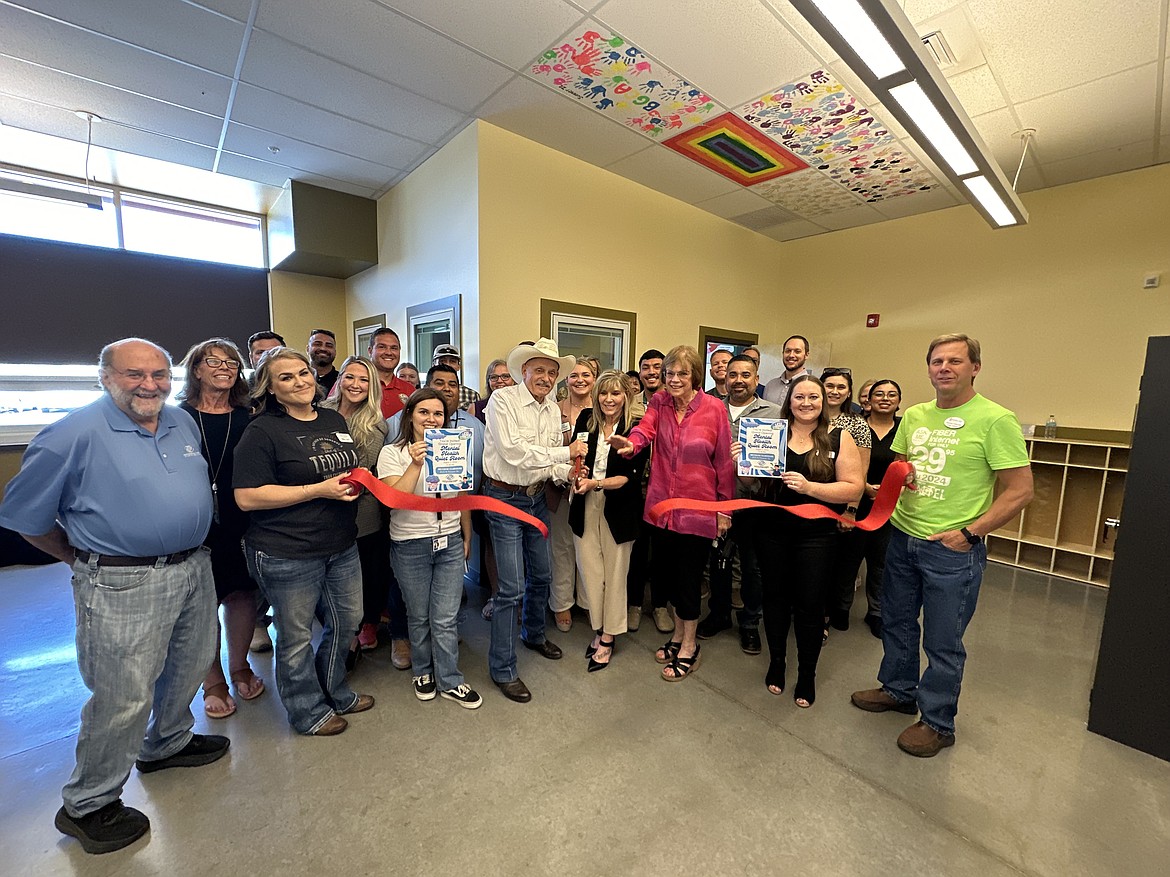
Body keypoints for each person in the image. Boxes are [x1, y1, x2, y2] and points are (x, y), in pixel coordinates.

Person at [0, 338, 227, 855]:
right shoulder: (71, 434)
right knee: (123, 696)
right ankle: (88, 804)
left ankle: (166, 743)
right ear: (105, 377)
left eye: (158, 374)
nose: (149, 385)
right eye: (134, 374)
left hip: (193, 567)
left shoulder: (179, 421)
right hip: (122, 581)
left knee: (190, 664)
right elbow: (24, 518)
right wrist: (78, 557)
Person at [852, 334, 1033, 757]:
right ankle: (898, 690)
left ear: (975, 367)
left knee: (942, 640)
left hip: (951, 552)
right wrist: (904, 473)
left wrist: (970, 533)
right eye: (937, 361)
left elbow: (1020, 491)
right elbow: (899, 464)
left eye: (955, 360)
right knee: (895, 621)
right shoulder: (914, 415)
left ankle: (937, 721)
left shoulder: (995, 419)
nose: (944, 368)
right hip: (902, 537)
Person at [233, 347, 375, 737]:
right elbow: (247, 497)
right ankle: (307, 711)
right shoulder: (261, 431)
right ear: (270, 388)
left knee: (347, 622)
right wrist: (317, 491)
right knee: (295, 638)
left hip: (341, 544)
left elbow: (341, 467)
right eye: (286, 378)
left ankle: (336, 690)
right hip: (286, 551)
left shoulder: (331, 418)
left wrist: (355, 481)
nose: (299, 382)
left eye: (303, 373)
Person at [609, 345, 735, 682]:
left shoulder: (714, 410)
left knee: (689, 581)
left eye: (681, 374)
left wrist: (725, 510)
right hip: (662, 508)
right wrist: (631, 444)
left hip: (699, 509)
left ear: (695, 376)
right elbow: (645, 430)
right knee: (668, 575)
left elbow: (724, 461)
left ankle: (690, 646)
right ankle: (678, 636)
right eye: (669, 374)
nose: (674, 380)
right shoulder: (659, 403)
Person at [482, 338, 585, 702]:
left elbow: (549, 463)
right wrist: (565, 452)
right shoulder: (503, 400)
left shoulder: (551, 410)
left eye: (552, 372)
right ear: (523, 371)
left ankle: (534, 634)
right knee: (511, 588)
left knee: (542, 573)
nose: (545, 377)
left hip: (537, 497)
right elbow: (512, 452)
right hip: (504, 499)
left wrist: (570, 473)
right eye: (538, 370)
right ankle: (503, 669)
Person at [752, 375, 863, 708]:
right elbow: (753, 481)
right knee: (774, 599)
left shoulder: (839, 437)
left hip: (817, 535)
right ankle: (776, 663)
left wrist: (810, 488)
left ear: (824, 400)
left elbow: (853, 488)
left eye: (813, 397)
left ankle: (807, 674)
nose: (806, 403)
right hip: (771, 529)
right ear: (790, 400)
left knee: (810, 605)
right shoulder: (772, 432)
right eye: (799, 397)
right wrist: (742, 461)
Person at [377, 389, 482, 709]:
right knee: (419, 615)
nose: (431, 419)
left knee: (446, 617)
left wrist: (465, 537)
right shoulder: (392, 453)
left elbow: (461, 498)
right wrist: (415, 462)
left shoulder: (452, 449)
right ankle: (423, 672)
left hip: (449, 542)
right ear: (410, 415)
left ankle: (450, 679)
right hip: (410, 546)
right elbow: (394, 499)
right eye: (424, 412)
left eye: (438, 414)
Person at [178, 338, 265, 719]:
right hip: (193, 521)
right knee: (202, 605)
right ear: (196, 369)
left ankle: (240, 664)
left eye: (232, 362)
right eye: (214, 361)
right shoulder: (175, 418)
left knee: (242, 595)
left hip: (242, 517)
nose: (225, 367)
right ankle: (212, 678)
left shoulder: (250, 416)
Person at [696, 353, 781, 655]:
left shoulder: (774, 413)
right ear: (724, 378)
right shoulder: (709, 409)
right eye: (733, 375)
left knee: (752, 567)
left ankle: (749, 624)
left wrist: (748, 462)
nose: (738, 380)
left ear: (757, 379)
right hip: (715, 502)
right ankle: (718, 615)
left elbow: (777, 465)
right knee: (717, 562)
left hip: (754, 502)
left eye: (746, 375)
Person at [569, 371, 647, 671]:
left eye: (616, 393)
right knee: (590, 573)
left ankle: (609, 636)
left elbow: (630, 477)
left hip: (619, 508)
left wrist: (597, 484)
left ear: (625, 396)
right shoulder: (586, 419)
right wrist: (580, 476)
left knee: (615, 576)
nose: (609, 399)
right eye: (604, 393)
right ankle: (599, 627)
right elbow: (579, 460)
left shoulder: (636, 428)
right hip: (585, 504)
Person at [321, 356, 392, 665]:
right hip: (321, 509)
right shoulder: (318, 413)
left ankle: (355, 636)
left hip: (362, 512)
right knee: (327, 579)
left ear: (372, 386)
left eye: (363, 380)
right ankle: (334, 633)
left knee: (364, 576)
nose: (355, 384)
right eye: (350, 377)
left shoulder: (376, 423)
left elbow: (363, 468)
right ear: (340, 380)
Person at [831, 379, 904, 639]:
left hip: (888, 508)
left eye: (891, 394)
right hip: (854, 504)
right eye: (879, 394)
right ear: (867, 400)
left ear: (899, 400)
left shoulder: (904, 429)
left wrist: (887, 490)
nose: (885, 398)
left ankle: (877, 612)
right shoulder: (855, 427)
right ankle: (840, 608)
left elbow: (908, 466)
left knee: (880, 563)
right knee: (847, 561)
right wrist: (863, 488)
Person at [820, 367, 873, 637]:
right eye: (829, 386)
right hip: (809, 501)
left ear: (848, 392)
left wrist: (851, 510)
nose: (834, 391)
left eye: (841, 387)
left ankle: (824, 618)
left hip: (842, 506)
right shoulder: (807, 419)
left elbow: (860, 475)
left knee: (834, 566)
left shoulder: (857, 425)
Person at [549, 358, 598, 631]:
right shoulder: (554, 411)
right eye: (574, 375)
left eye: (586, 375)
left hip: (591, 489)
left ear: (595, 379)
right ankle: (561, 604)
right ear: (565, 380)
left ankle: (588, 602)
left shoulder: (603, 409)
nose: (579, 380)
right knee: (562, 548)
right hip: (559, 487)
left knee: (589, 548)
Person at [629, 347, 670, 632]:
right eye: (646, 367)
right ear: (640, 371)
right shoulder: (627, 402)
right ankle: (633, 604)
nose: (652, 372)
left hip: (668, 488)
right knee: (636, 550)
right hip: (635, 489)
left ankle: (659, 605)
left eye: (657, 366)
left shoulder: (675, 403)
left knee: (663, 551)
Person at [368, 328, 416, 419]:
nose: (389, 352)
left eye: (394, 348)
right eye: (382, 347)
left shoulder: (410, 390)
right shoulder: (357, 385)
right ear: (370, 351)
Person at [763, 335, 811, 408]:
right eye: (788, 351)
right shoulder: (770, 386)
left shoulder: (813, 386)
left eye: (797, 351)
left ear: (806, 355)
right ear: (783, 353)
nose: (791, 355)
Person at [432, 343, 481, 410]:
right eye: (442, 361)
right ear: (433, 364)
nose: (448, 365)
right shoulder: (423, 393)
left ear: (458, 366)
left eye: (452, 361)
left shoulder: (471, 395)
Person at [308, 328, 339, 394]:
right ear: (308, 349)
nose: (323, 348)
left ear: (335, 352)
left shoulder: (341, 381)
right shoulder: (299, 379)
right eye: (317, 344)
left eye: (329, 346)